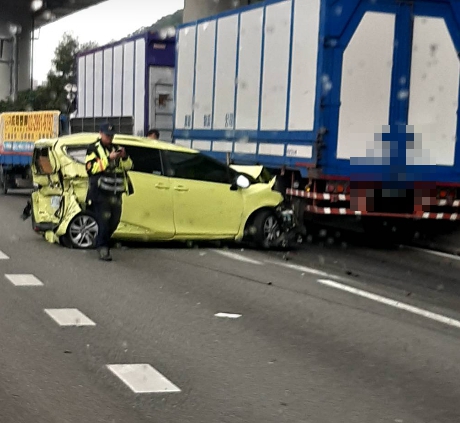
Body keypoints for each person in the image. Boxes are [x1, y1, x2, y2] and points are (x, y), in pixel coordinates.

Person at [85, 123, 133, 261]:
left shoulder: (116, 148)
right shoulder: (93, 148)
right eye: (107, 135)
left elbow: (129, 166)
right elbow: (90, 168)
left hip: (116, 192)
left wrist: (124, 157)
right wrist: (109, 159)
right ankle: (103, 248)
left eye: (111, 135)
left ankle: (101, 241)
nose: (110, 138)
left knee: (115, 221)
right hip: (101, 192)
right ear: (100, 133)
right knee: (104, 221)